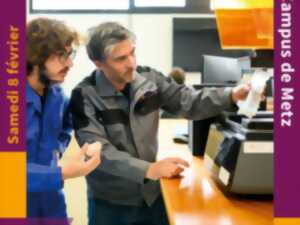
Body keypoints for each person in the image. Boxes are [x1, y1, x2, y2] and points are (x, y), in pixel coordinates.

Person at [69, 22, 251, 225]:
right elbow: (98, 152)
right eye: (121, 59)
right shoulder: (84, 96)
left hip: (153, 197)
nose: (131, 63)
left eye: (132, 53)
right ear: (98, 63)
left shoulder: (150, 79)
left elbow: (187, 101)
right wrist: (149, 169)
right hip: (111, 204)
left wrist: (231, 95)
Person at [26, 18, 102, 222]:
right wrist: (60, 172)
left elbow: (65, 127)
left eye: (70, 54)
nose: (70, 63)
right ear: (34, 57)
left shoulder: (57, 95)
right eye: (61, 56)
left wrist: (57, 150)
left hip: (52, 202)